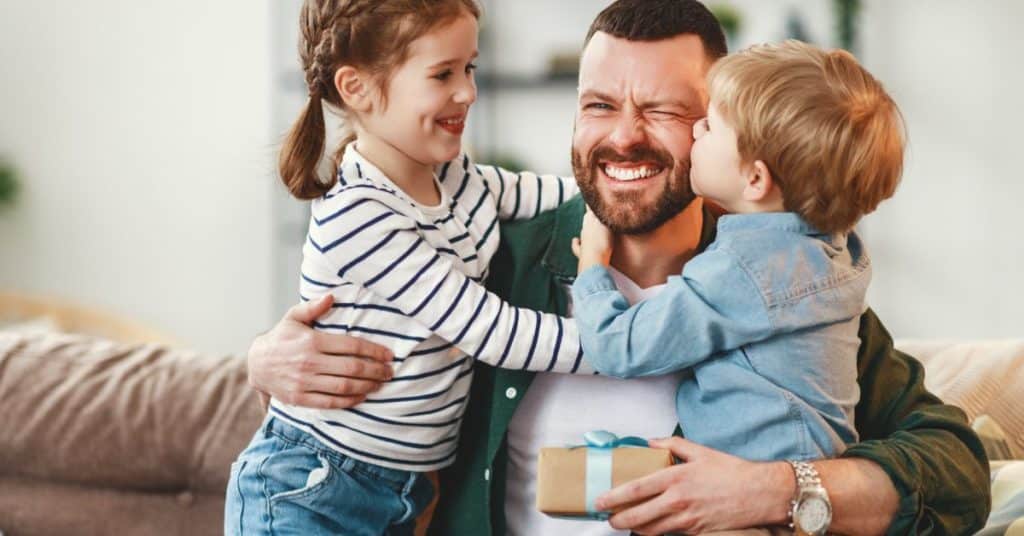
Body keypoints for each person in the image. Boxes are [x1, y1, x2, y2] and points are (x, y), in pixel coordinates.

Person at [246, 1, 991, 535]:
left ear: (728, 134)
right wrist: (262, 359)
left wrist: (772, 490)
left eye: (666, 111)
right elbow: (344, 402)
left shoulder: (785, 286)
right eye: (599, 104)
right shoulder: (496, 262)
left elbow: (956, 469)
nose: (624, 137)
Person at [224, 0, 594, 533]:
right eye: (442, 74)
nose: (467, 91)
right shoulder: (358, 213)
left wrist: (623, 184)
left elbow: (546, 194)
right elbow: (489, 329)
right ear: (358, 88)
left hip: (401, 491)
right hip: (314, 488)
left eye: (469, 67)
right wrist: (621, 343)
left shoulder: (452, 174)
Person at [571, 39, 904, 466]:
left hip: (751, 501)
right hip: (804, 488)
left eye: (708, 126)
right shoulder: (833, 254)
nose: (695, 131)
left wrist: (592, 266)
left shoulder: (744, 270)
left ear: (755, 180)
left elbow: (620, 347)